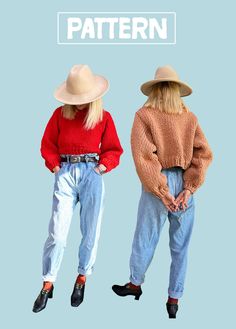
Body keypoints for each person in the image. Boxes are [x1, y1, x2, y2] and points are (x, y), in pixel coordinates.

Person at [112, 65, 213, 319]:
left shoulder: (144, 115)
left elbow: (143, 158)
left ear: (155, 89)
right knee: (181, 245)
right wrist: (189, 189)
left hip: (158, 180)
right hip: (184, 179)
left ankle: (135, 284)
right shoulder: (189, 117)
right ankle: (174, 299)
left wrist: (161, 190)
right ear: (177, 90)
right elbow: (203, 154)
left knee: (145, 236)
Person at [33, 64, 123, 313]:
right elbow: (47, 144)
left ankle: (82, 277)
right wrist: (54, 166)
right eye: (76, 97)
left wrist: (102, 168)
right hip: (65, 172)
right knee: (57, 233)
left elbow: (114, 149)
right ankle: (48, 282)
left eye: (84, 97)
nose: (80, 103)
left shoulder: (104, 117)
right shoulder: (59, 115)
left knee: (91, 230)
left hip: (93, 173)